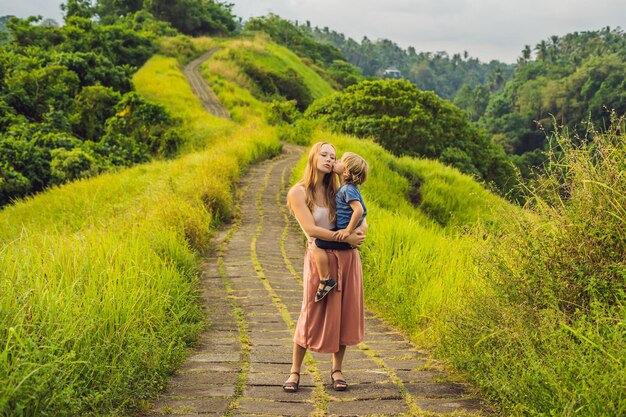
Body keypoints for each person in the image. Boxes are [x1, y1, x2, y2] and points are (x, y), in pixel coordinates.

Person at [282, 142, 367, 393]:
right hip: (319, 257)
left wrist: (358, 233)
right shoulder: (298, 192)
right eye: (324, 154)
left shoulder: (338, 190)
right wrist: (347, 237)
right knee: (310, 311)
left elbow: (361, 217)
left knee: (343, 314)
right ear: (313, 156)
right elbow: (310, 230)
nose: (330, 159)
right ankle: (294, 372)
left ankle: (337, 370)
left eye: (333, 156)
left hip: (347, 258)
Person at [310, 152, 369, 302]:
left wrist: (348, 231)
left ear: (346, 170)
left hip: (345, 233)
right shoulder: (346, 188)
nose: (336, 161)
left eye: (341, 160)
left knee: (317, 243)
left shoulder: (347, 189)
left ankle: (326, 280)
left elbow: (360, 210)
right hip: (346, 232)